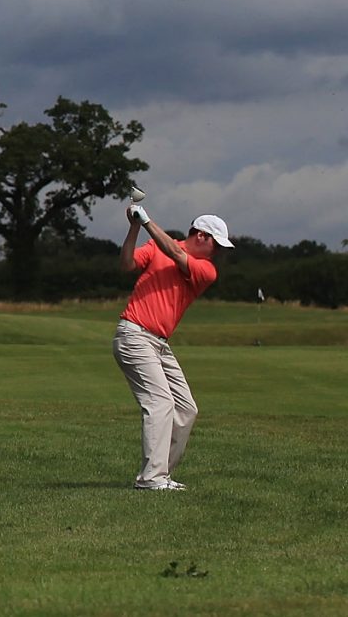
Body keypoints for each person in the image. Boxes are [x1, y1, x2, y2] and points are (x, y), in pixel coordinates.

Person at [115, 207, 230, 491]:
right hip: (134, 335)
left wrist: (146, 220)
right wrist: (134, 227)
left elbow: (177, 255)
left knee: (186, 409)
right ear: (202, 236)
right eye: (216, 244)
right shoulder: (156, 245)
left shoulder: (206, 270)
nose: (218, 252)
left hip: (159, 343)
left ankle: (160, 473)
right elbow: (127, 265)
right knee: (160, 404)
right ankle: (151, 478)